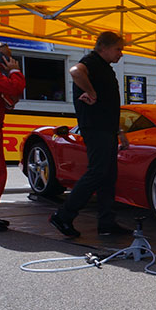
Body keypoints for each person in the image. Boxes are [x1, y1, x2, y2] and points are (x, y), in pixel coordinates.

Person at [49, 31, 130, 238]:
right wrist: (91, 92)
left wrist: (119, 131)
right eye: (118, 49)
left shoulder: (106, 68)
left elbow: (110, 105)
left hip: (108, 128)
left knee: (108, 176)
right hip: (96, 128)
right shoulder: (91, 61)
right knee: (97, 172)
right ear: (103, 47)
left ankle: (106, 223)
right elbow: (75, 71)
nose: (121, 54)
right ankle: (63, 215)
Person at [0, 41, 26, 233]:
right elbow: (15, 89)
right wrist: (14, 71)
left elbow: (9, 100)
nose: (8, 60)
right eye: (5, 56)